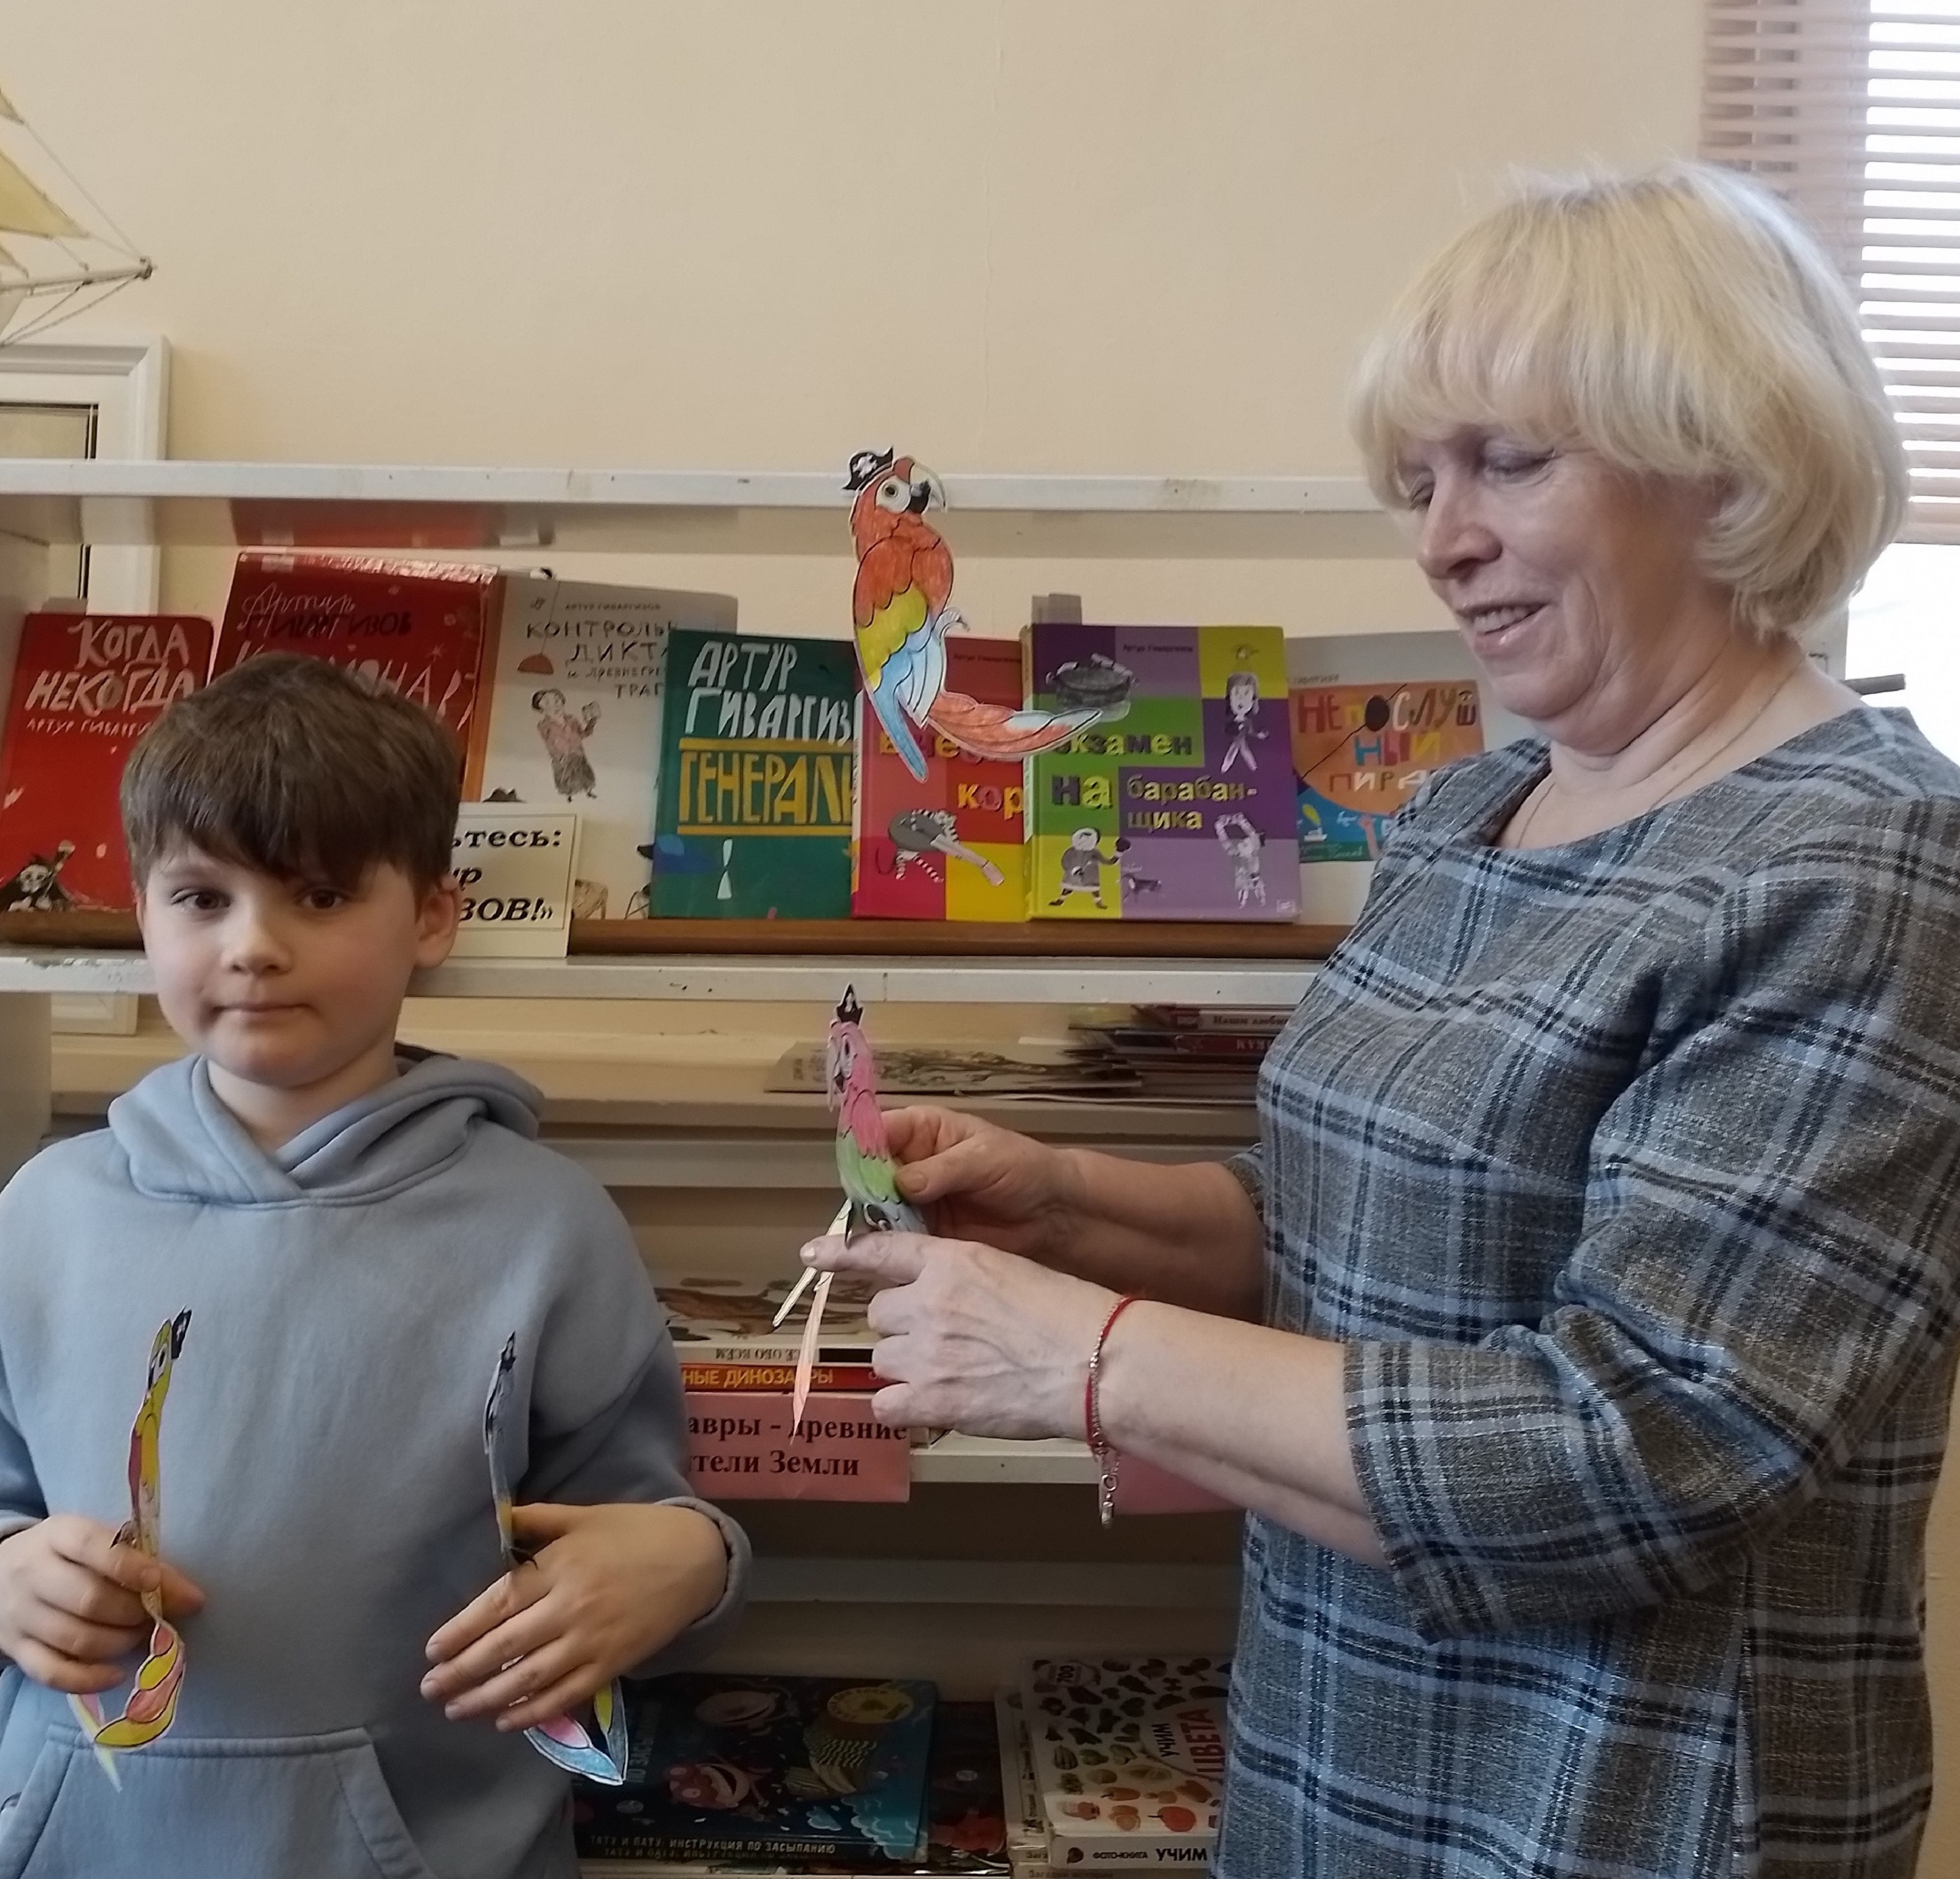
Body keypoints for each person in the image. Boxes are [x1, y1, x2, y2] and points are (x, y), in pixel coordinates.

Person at [803, 164, 1960, 1878]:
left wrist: (1082, 1354)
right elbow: (1349, 1230)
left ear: (1723, 455)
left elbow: (1642, 1447)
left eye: (1509, 461)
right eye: (1419, 480)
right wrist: (1072, 1205)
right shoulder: (1476, 808)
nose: (1441, 537)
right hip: (1338, 1744)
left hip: (1613, 1799)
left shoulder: (1863, 861)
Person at [0, 655, 748, 1879]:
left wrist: (693, 1562)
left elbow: (637, 1534)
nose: (252, 946)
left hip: (438, 1847)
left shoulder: (545, 1224)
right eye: (201, 897)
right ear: (143, 911)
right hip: (87, 1841)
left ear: (433, 917)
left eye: (321, 894)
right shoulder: (46, 1211)